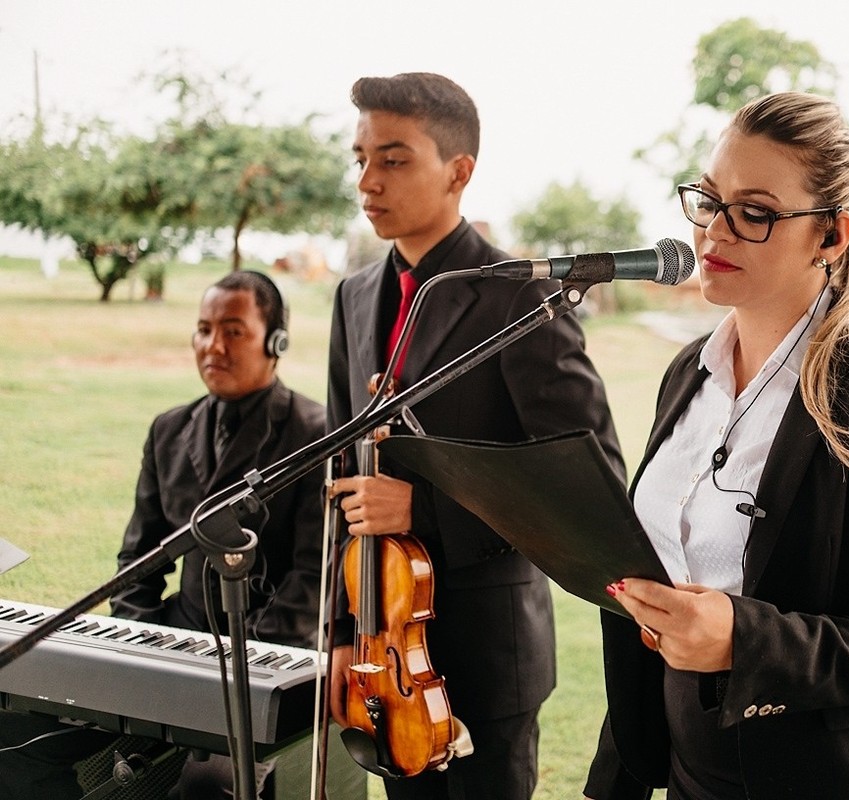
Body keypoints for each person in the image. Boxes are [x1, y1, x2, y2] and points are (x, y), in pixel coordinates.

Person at [584, 91, 849, 799]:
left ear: (832, 236)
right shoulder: (687, 374)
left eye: (754, 213)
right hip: (686, 770)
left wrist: (746, 639)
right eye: (709, 200)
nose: (712, 234)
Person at [325, 72, 624, 800]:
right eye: (360, 156)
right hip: (378, 655)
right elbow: (341, 474)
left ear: (459, 172)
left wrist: (425, 512)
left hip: (490, 660)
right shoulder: (354, 295)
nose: (368, 179)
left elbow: (587, 478)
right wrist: (339, 633)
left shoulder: (521, 293)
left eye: (393, 159)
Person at [0, 270, 327, 799]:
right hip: (177, 637)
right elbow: (137, 562)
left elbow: (312, 580)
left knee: (203, 787)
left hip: (267, 662)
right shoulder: (168, 428)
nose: (212, 346)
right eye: (202, 329)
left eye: (233, 331)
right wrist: (146, 653)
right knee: (20, 746)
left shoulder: (316, 432)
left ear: (276, 341)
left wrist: (238, 665)